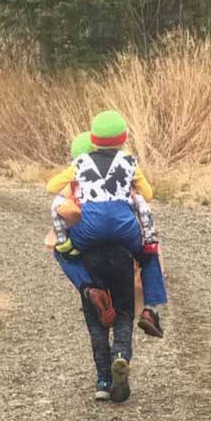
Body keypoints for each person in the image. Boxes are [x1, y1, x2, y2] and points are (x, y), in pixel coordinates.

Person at [46, 111, 167, 338]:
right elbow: (148, 195)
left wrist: (76, 182)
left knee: (61, 251)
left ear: (93, 141)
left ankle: (89, 288)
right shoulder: (130, 162)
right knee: (150, 254)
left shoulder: (81, 163)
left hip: (88, 230)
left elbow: (51, 187)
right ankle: (150, 309)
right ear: (124, 139)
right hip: (125, 231)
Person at [80, 245, 135, 402]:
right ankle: (120, 356)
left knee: (96, 319)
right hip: (121, 253)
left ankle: (103, 382)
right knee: (123, 315)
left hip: (90, 257)